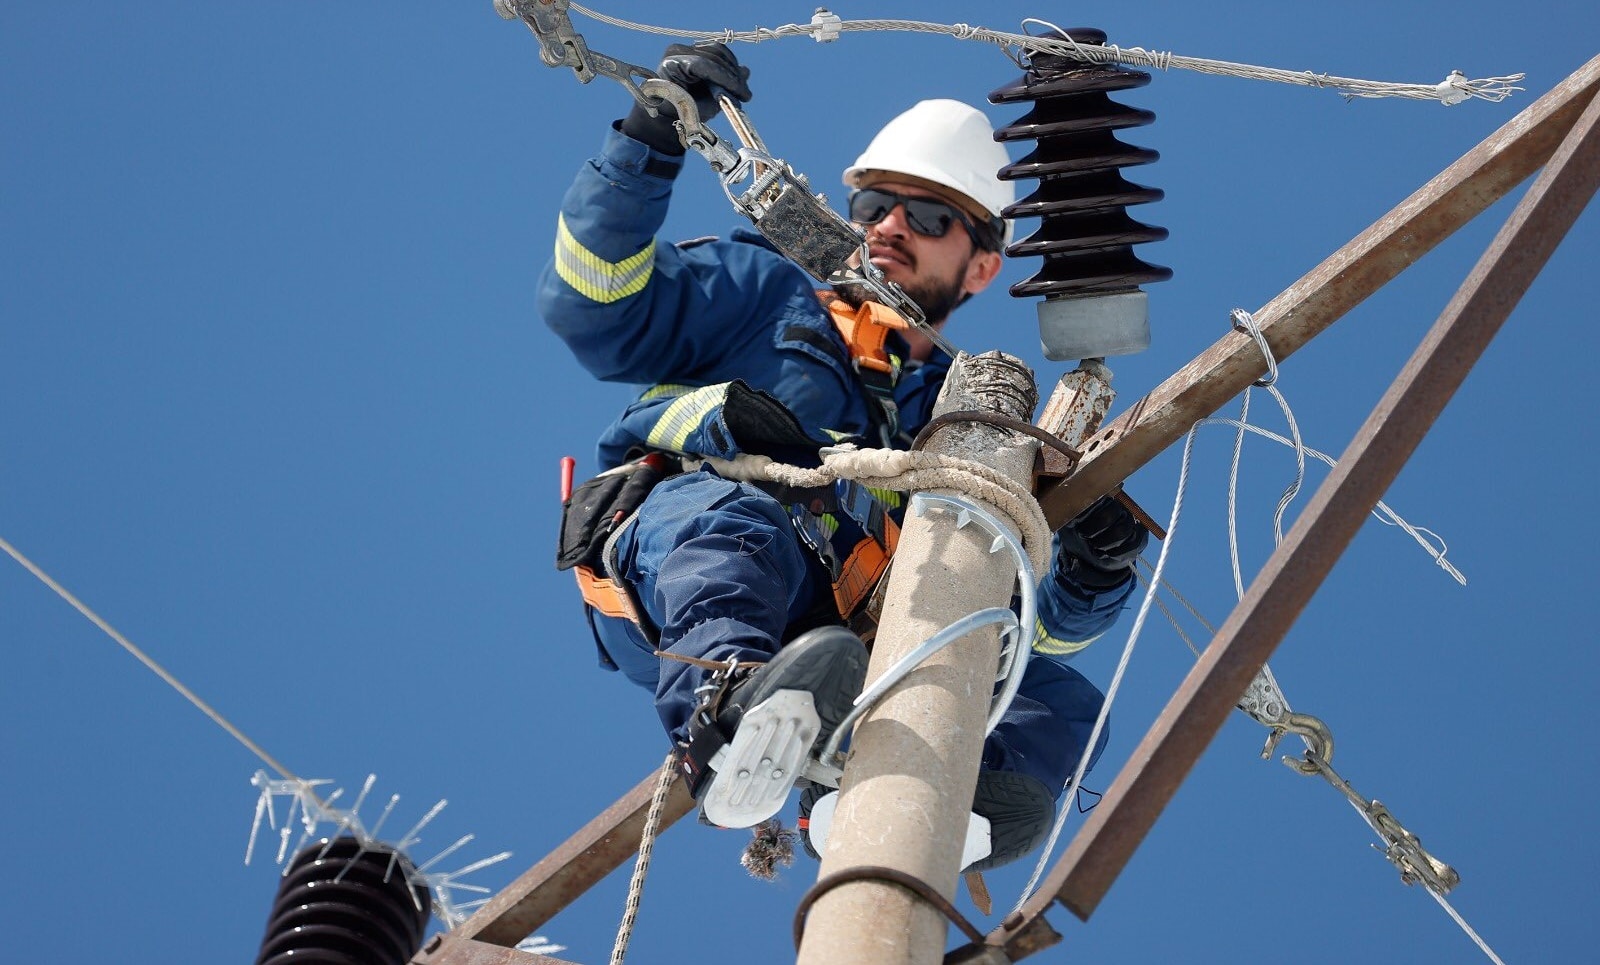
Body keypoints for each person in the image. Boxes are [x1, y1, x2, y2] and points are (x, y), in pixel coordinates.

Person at [539, 43, 1145, 870]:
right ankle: (726, 718)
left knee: (1061, 703)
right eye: (874, 204)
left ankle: (908, 800)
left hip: (843, 634)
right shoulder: (765, 294)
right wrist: (647, 139)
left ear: (982, 265)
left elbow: (1024, 617)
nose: (891, 227)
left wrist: (1091, 572)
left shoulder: (966, 423)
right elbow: (591, 302)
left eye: (930, 217)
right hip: (693, 555)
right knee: (739, 524)